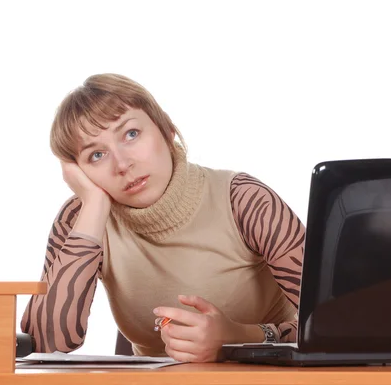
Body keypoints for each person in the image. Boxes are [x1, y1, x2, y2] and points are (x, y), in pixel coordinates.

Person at [20, 74, 305, 362]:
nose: (122, 164)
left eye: (131, 134)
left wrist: (239, 337)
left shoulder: (243, 199)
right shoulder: (80, 219)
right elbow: (45, 345)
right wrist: (93, 206)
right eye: (96, 155)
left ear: (166, 129)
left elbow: (343, 325)